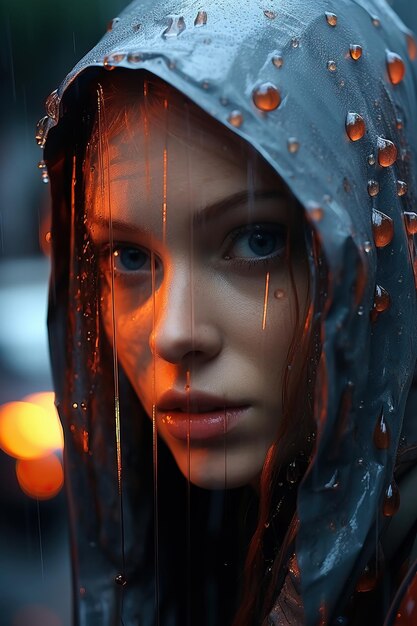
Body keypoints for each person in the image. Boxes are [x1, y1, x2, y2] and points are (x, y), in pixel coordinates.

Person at [37, 0, 417, 624]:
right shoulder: (202, 546)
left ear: (386, 258)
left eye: (257, 241)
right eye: (128, 256)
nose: (174, 332)